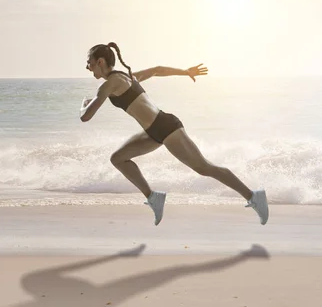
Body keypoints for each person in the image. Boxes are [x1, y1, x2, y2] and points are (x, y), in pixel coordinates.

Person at [79, 42, 269, 226]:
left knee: (204, 168)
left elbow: (86, 117)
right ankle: (153, 197)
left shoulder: (109, 84)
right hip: (153, 131)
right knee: (118, 158)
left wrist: (83, 105)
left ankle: (253, 196)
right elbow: (157, 69)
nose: (88, 67)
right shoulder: (126, 76)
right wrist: (185, 72)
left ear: (101, 61)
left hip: (166, 127)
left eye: (90, 62)